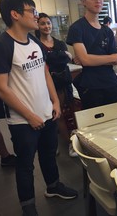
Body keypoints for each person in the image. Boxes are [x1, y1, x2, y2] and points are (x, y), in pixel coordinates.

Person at [0, 0, 77, 216]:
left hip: (47, 113)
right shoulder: (2, 45)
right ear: (15, 14)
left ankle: (53, 187)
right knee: (25, 165)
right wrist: (29, 115)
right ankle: (28, 206)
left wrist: (55, 102)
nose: (36, 15)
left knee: (49, 154)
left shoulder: (35, 42)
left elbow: (45, 73)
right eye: (31, 10)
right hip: (23, 120)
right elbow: (0, 87)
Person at [66, 0, 117, 110]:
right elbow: (85, 60)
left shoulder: (106, 31)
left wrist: (90, 59)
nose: (98, 0)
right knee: (96, 126)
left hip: (111, 83)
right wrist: (108, 58)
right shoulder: (77, 28)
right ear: (83, 1)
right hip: (91, 86)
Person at [36, 13, 77, 157]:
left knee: (71, 111)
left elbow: (67, 60)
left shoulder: (59, 42)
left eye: (48, 23)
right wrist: (61, 55)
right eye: (43, 23)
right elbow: (47, 63)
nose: (46, 26)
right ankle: (63, 143)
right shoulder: (36, 45)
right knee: (56, 115)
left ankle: (76, 142)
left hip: (65, 82)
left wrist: (58, 56)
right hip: (50, 85)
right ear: (38, 26)